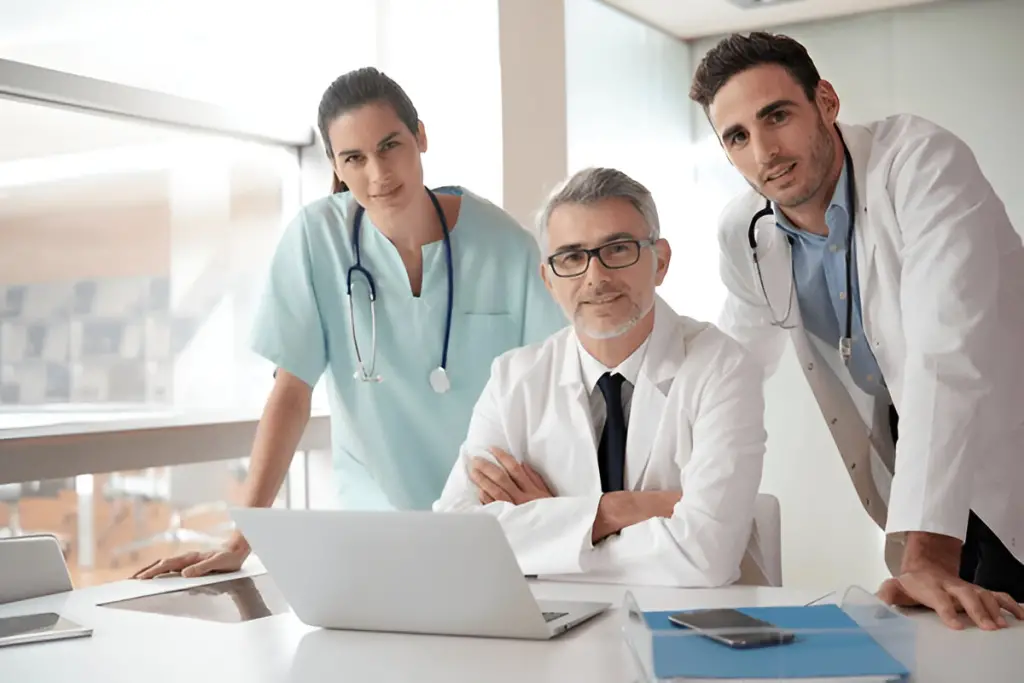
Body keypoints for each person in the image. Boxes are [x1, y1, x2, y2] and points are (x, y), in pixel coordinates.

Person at [134, 67, 566, 580]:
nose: (378, 174)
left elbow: (555, 389)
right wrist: (241, 537)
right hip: (375, 527)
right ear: (336, 164)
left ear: (420, 137)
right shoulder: (317, 239)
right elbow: (291, 394)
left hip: (492, 521)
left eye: (390, 147)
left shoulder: (505, 245)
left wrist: (559, 506)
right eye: (354, 158)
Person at [690, 31, 1024, 629]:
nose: (764, 150)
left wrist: (926, 552)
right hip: (925, 458)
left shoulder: (921, 163)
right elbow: (731, 369)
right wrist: (650, 501)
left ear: (827, 101)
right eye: (737, 136)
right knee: (961, 638)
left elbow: (944, 355)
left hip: (1005, 432)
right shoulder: (746, 230)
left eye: (777, 116)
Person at [433, 167, 769, 587]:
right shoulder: (513, 379)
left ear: (660, 261)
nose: (596, 277)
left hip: (694, 626)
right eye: (572, 257)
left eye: (618, 249)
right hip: (557, 630)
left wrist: (552, 533)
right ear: (548, 280)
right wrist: (614, 511)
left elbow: (705, 556)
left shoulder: (722, 368)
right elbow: (455, 537)